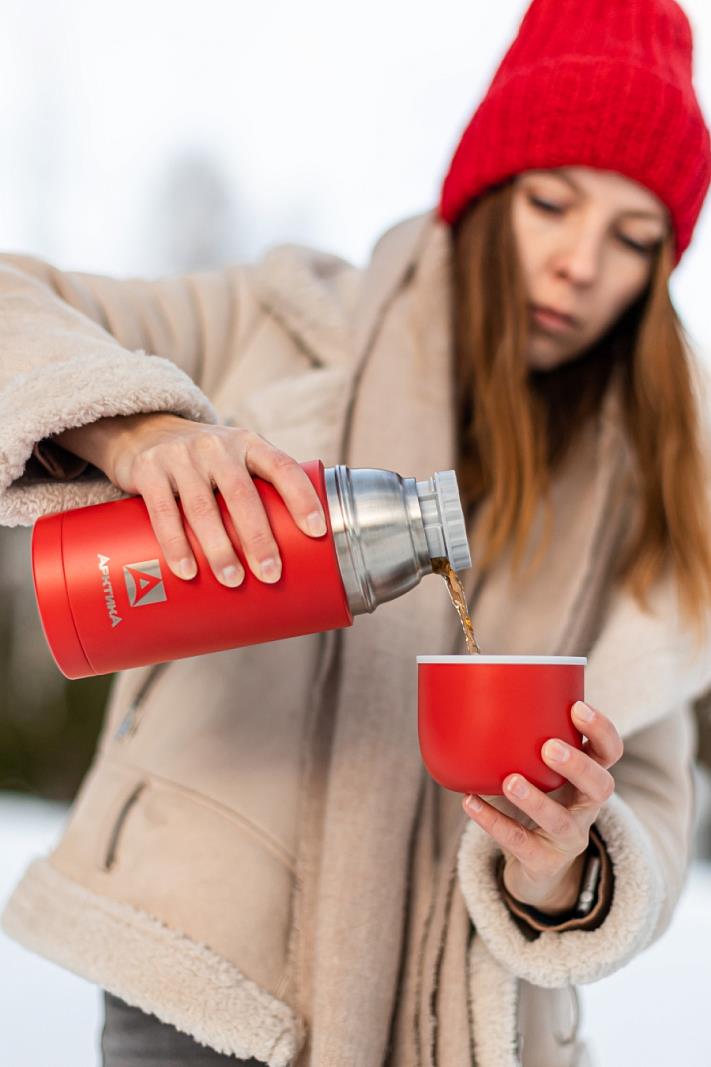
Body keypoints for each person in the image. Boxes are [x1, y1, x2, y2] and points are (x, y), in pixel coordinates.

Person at [1, 0, 710, 1063]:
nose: (580, 262)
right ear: (485, 193)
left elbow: (651, 788)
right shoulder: (283, 320)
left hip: (478, 1033)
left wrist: (562, 869)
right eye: (551, 203)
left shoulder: (661, 482)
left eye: (633, 237)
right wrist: (137, 428)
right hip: (208, 996)